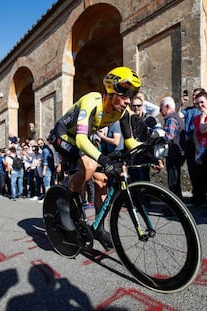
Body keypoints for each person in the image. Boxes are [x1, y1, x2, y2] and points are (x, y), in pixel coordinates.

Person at [49, 66, 143, 250]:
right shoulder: (92, 101)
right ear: (111, 90)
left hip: (82, 139)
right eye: (124, 95)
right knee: (90, 166)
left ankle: (98, 227)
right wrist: (104, 160)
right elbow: (82, 139)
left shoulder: (123, 113)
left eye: (130, 96)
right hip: (63, 135)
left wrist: (151, 150)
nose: (127, 101)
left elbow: (130, 141)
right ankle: (65, 200)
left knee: (102, 181)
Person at [181, 88, 206, 207]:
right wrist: (180, 102)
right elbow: (179, 114)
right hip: (189, 142)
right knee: (192, 171)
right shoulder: (188, 110)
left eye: (198, 96)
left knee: (200, 172)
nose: (195, 98)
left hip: (200, 142)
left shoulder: (203, 111)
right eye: (194, 96)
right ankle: (197, 195)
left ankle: (201, 196)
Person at [129, 95, 162, 182]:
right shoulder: (127, 120)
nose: (136, 108)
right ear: (130, 107)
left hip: (146, 156)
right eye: (134, 106)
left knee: (144, 182)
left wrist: (157, 159)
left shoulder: (150, 119)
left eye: (139, 105)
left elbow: (159, 137)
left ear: (142, 106)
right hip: (131, 156)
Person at [159, 96, 185, 199]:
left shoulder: (171, 119)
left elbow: (168, 137)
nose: (160, 111)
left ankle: (175, 206)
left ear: (167, 106)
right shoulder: (176, 117)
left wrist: (158, 137)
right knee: (175, 179)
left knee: (173, 180)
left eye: (161, 108)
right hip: (177, 152)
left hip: (174, 153)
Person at [37, 137, 55, 202]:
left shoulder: (45, 150)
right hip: (50, 167)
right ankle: (50, 197)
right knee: (50, 183)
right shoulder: (46, 149)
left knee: (46, 183)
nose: (40, 145)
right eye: (38, 144)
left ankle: (47, 198)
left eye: (41, 143)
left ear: (43, 142)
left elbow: (46, 161)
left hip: (47, 168)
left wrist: (44, 170)